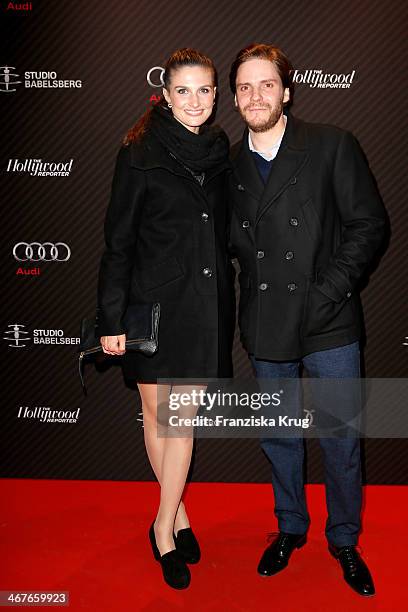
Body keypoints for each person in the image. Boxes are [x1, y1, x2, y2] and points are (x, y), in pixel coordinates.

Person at [228, 43, 386, 597]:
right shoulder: (227, 166)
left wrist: (329, 291)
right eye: (244, 87)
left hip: (329, 320)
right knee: (279, 436)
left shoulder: (331, 144)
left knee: (341, 438)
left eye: (266, 84)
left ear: (287, 92)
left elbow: (369, 224)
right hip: (266, 321)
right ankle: (290, 527)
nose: (255, 95)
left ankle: (344, 537)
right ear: (235, 98)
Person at [96, 48, 235, 590]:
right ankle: (174, 519)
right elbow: (117, 243)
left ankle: (163, 521)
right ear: (166, 94)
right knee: (161, 421)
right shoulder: (139, 151)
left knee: (181, 422)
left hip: (202, 306)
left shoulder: (221, 150)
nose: (195, 101)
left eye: (205, 91)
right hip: (151, 307)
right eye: (184, 91)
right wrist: (111, 318)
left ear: (215, 95)